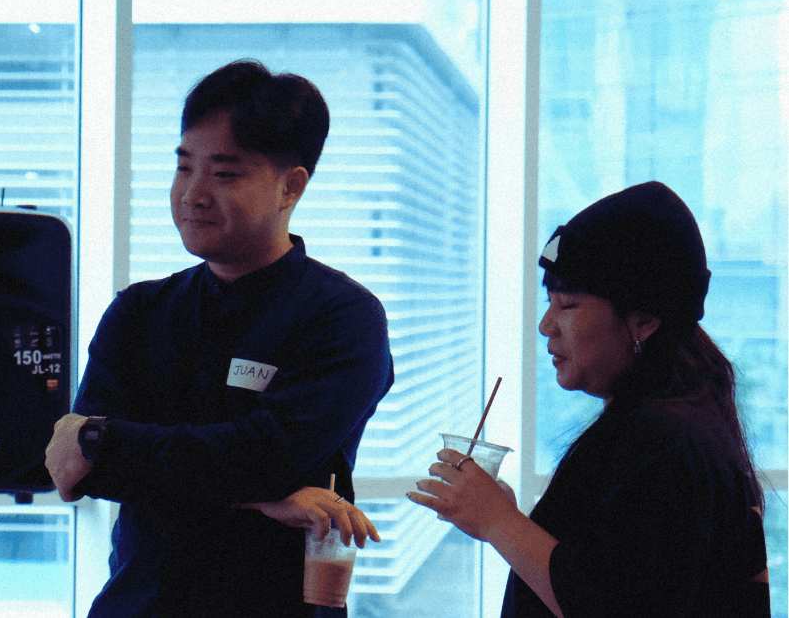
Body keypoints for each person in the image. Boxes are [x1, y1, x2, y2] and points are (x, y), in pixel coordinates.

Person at [44, 59, 392, 616]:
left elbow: (262, 455)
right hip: (137, 604)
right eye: (185, 168)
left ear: (290, 186)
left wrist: (106, 438)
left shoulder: (343, 317)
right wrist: (271, 497)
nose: (193, 194)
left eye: (224, 174)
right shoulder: (141, 309)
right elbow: (77, 471)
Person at [409, 181, 770, 617]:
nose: (546, 325)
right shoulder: (671, 423)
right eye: (549, 302)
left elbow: (606, 601)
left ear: (645, 320)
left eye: (568, 305)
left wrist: (499, 522)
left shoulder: (670, 439)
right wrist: (504, 518)